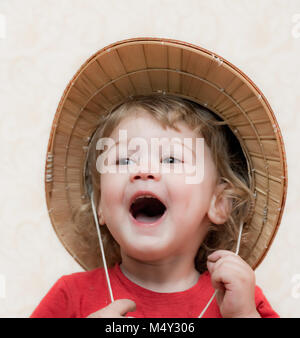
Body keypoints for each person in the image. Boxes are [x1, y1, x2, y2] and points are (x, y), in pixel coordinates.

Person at [31, 94, 279, 318]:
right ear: (100, 206)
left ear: (219, 203)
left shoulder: (238, 297)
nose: (144, 171)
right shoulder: (71, 296)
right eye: (124, 159)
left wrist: (242, 316)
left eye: (171, 159)